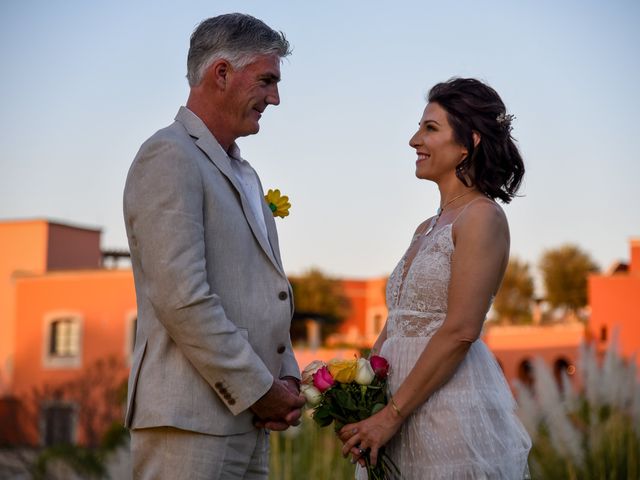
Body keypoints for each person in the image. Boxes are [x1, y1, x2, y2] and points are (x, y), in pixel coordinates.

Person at [123, 13, 305, 480]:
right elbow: (182, 297)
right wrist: (260, 389)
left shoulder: (245, 174)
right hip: (189, 424)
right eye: (266, 80)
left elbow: (265, 291)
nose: (275, 98)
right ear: (221, 73)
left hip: (247, 421)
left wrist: (286, 377)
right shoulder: (169, 155)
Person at [339, 78, 532, 478]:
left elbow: (461, 329)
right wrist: (359, 392)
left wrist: (391, 415)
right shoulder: (425, 227)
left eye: (430, 128)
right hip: (393, 413)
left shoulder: (482, 217)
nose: (414, 140)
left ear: (469, 142)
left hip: (447, 412)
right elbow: (397, 322)